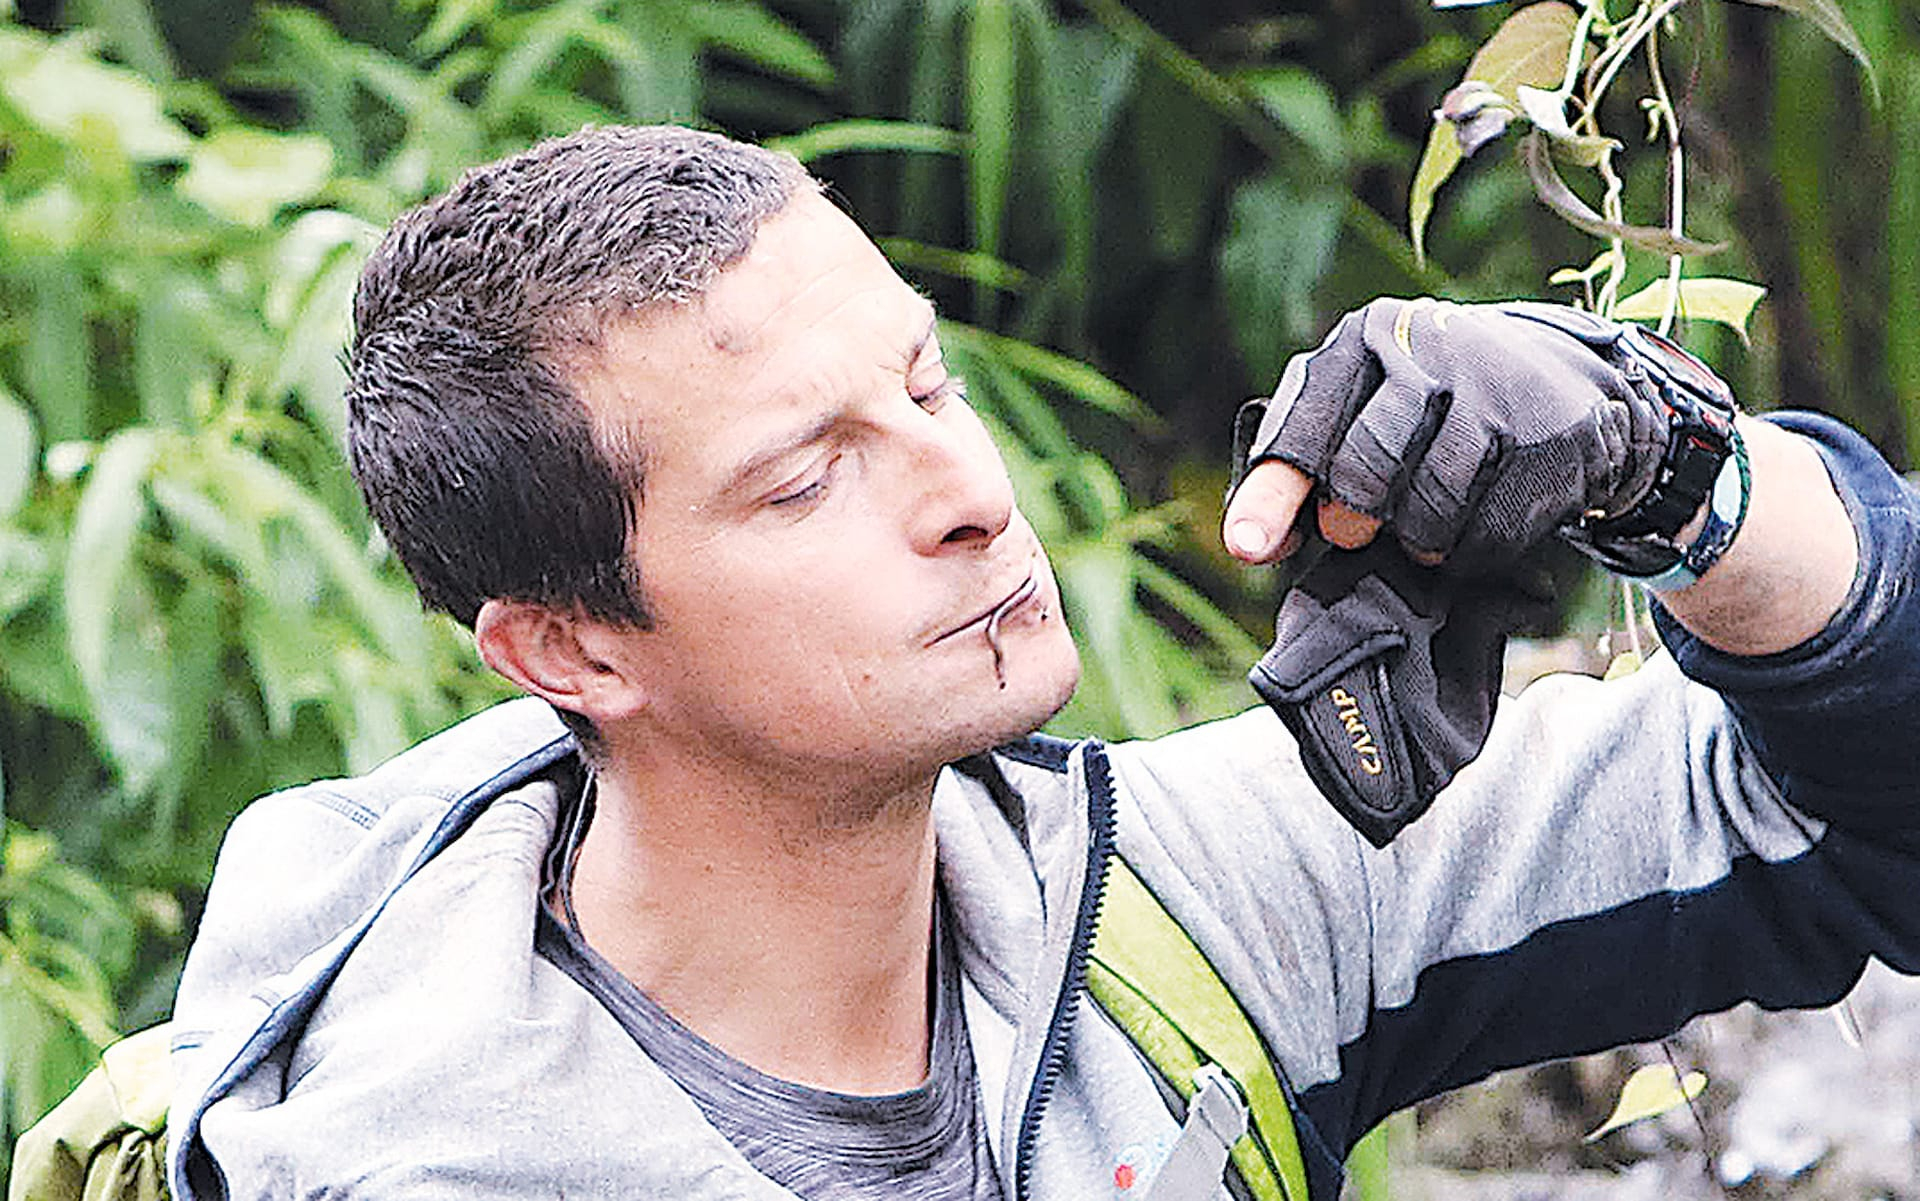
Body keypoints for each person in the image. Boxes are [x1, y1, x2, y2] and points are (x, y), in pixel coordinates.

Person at [164, 124, 1920, 1200]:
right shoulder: (402, 1162)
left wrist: (1667, 467)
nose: (970, 491)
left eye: (924, 387)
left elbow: (1854, 820)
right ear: (568, 646)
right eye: (805, 478)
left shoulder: (1202, 910)